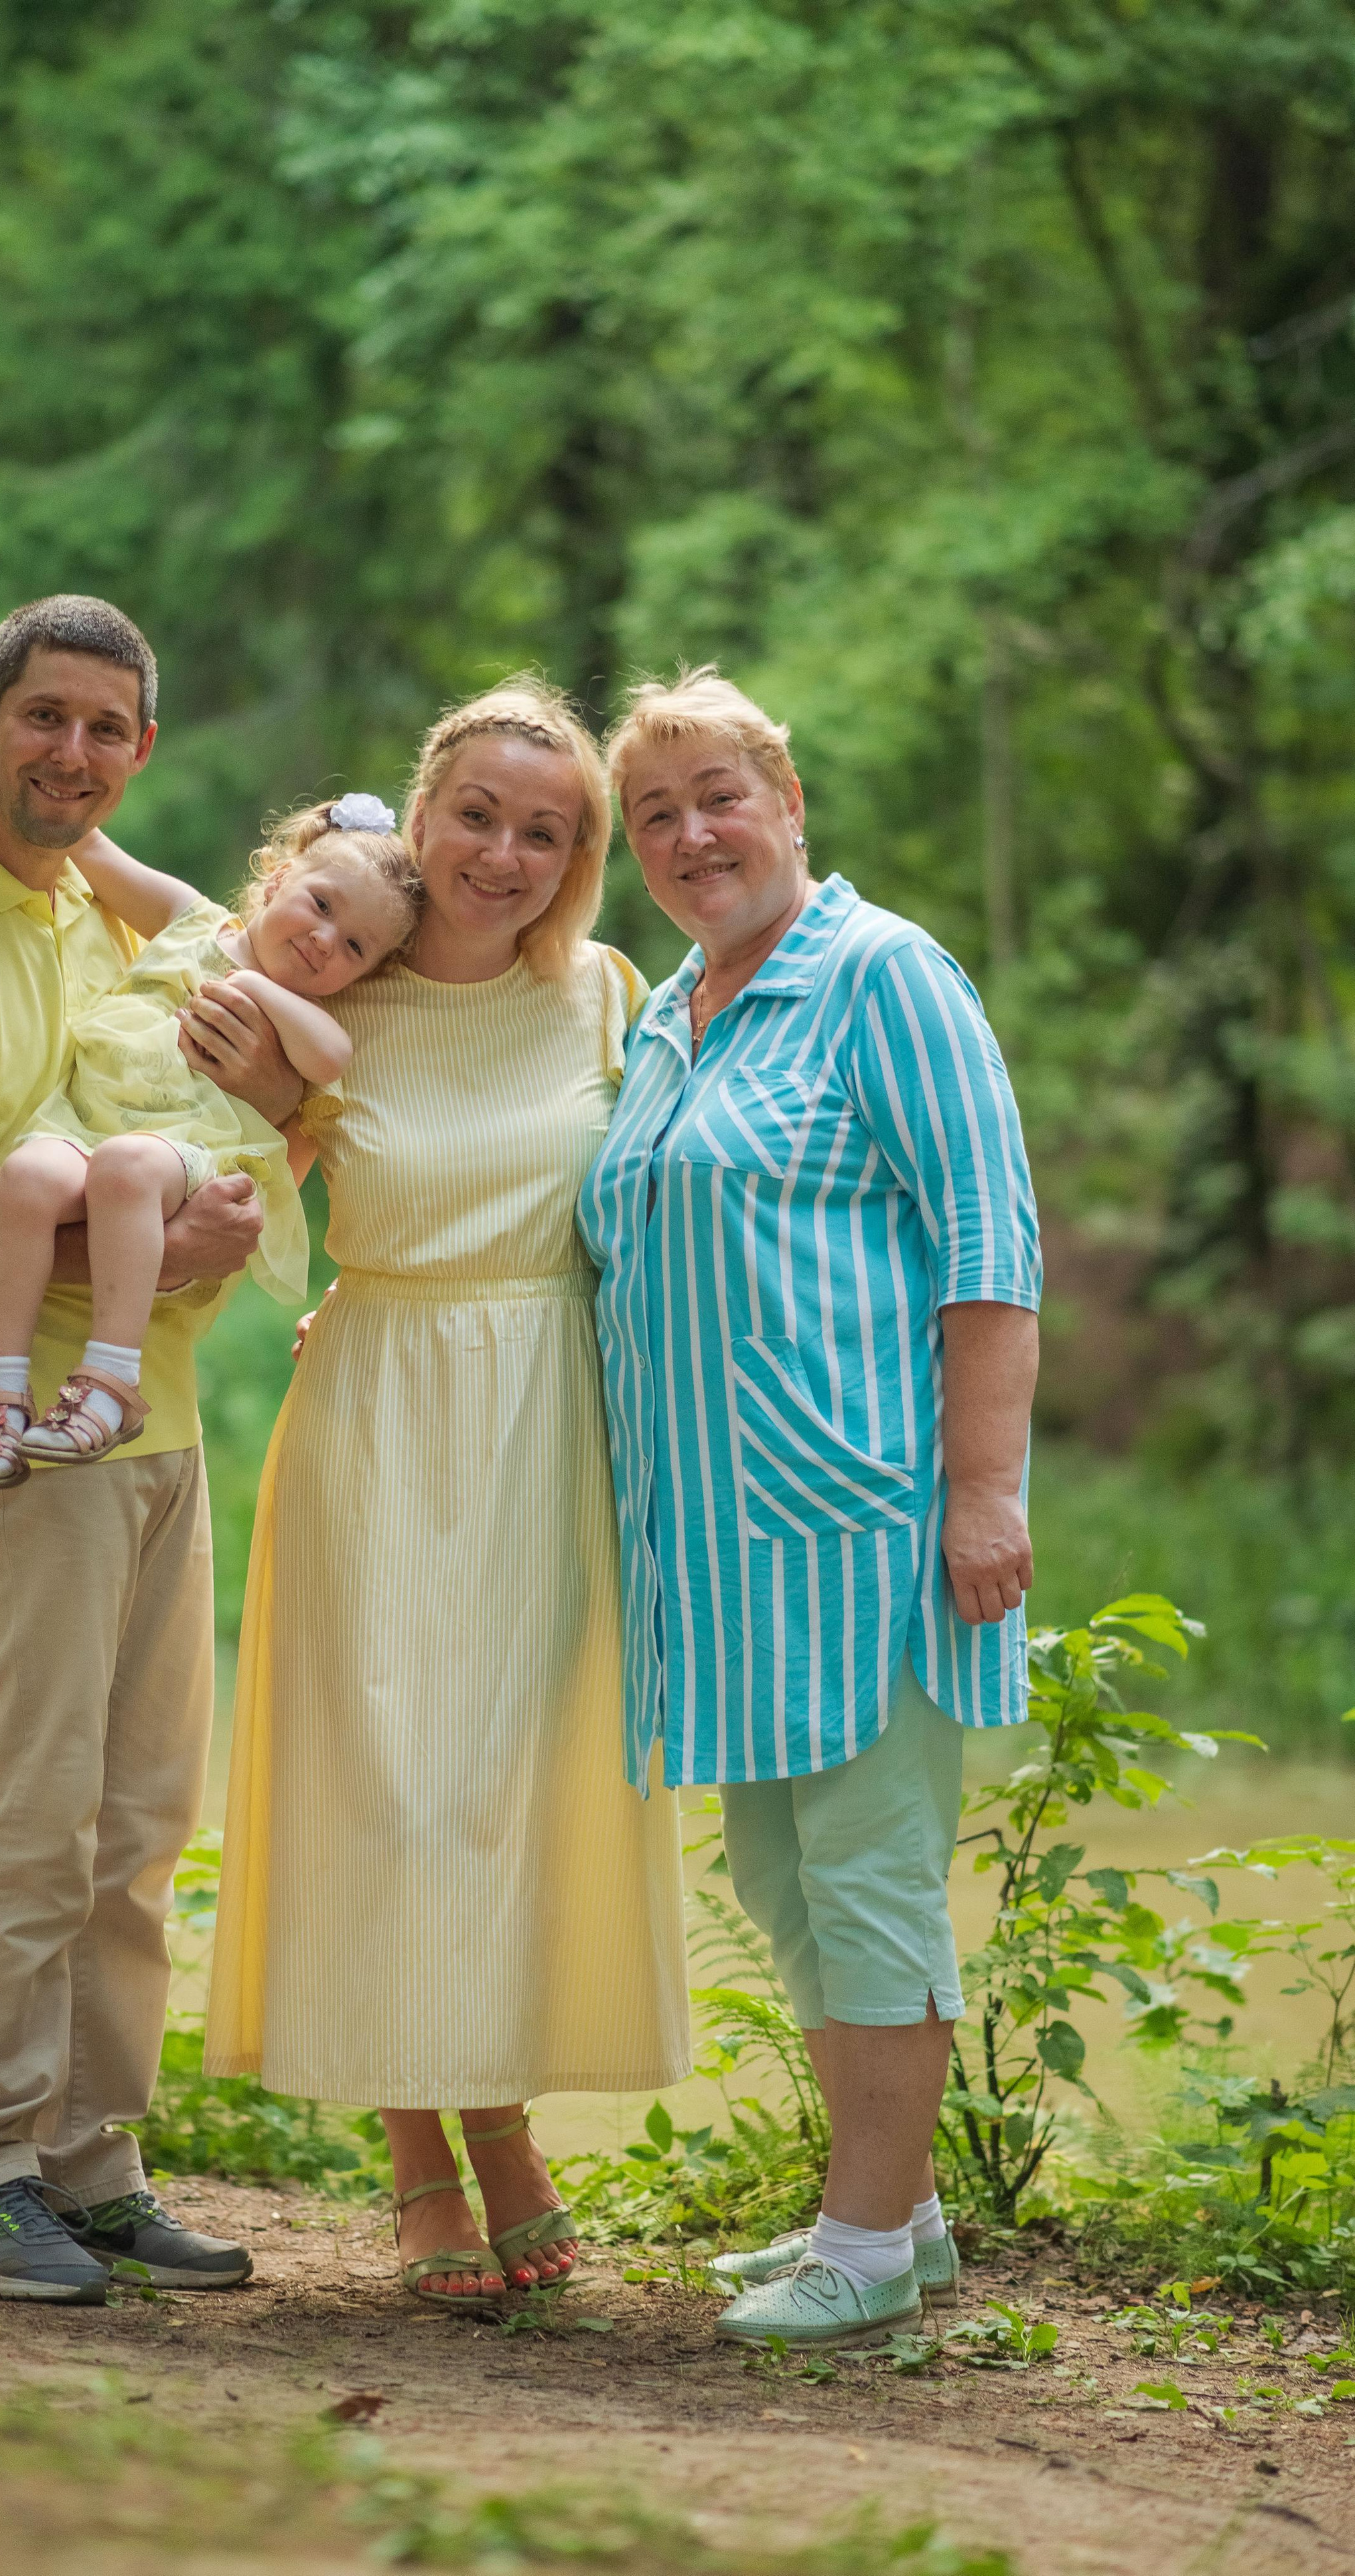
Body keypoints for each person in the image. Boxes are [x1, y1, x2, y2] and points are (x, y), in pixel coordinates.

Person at [198, 678, 693, 2313]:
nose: (502, 851)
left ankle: (490, 2115)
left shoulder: (613, 997)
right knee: (393, 1784)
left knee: (509, 1776)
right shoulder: (317, 992)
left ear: (578, 857)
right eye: (473, 814)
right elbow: (220, 1168)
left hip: (552, 1425)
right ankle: (448, 2144)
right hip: (377, 1411)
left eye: (542, 830)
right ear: (415, 821)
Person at [578, 668, 1040, 2354]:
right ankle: (891, 2215)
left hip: (861, 1525)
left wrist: (980, 1491)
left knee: (866, 1879)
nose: (693, 832)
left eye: (720, 793)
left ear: (787, 798)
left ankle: (856, 2245)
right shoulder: (671, 1012)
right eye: (657, 813)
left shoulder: (882, 975)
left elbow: (989, 1249)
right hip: (712, 1551)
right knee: (780, 1875)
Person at [0, 594, 279, 2306]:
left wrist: (89, 830)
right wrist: (194, 1253)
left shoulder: (84, 898)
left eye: (106, 727)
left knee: (141, 1820)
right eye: (43, 719)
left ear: (139, 749)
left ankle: (91, 2168)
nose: (70, 753)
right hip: (20, 1437)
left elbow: (263, 925)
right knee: (35, 1816)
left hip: (151, 1425)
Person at [0, 787, 420, 1488]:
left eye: (355, 946)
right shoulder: (190, 921)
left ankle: (110, 1381)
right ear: (279, 881)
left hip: (188, 1153)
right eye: (322, 905)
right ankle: (0, 1397)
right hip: (83, 1124)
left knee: (125, 1167)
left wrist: (259, 987)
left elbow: (332, 1056)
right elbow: (90, 850)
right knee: (28, 1177)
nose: (324, 939)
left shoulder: (302, 1014)